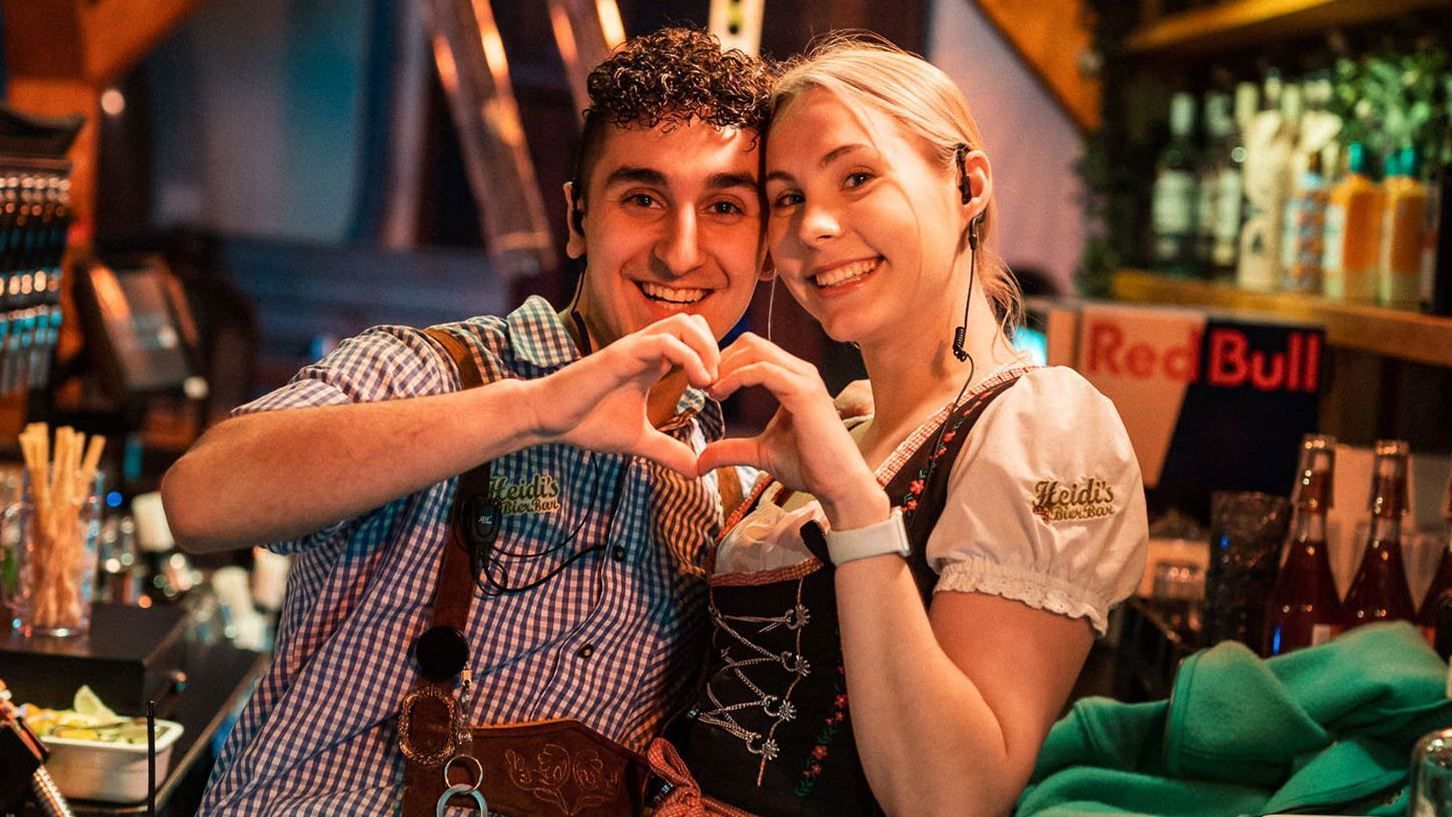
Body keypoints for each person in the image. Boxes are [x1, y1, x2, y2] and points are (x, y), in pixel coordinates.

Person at [160, 28, 775, 815]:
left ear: (766, 247)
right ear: (579, 217)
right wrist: (531, 410)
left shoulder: (730, 489)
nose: (680, 251)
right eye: (642, 198)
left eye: (724, 206)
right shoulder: (429, 371)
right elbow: (199, 502)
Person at [646, 37, 1149, 817]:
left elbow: (950, 798)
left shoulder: (1044, 427)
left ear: (968, 183)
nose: (814, 226)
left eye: (857, 177)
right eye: (785, 197)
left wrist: (854, 503)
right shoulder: (844, 417)